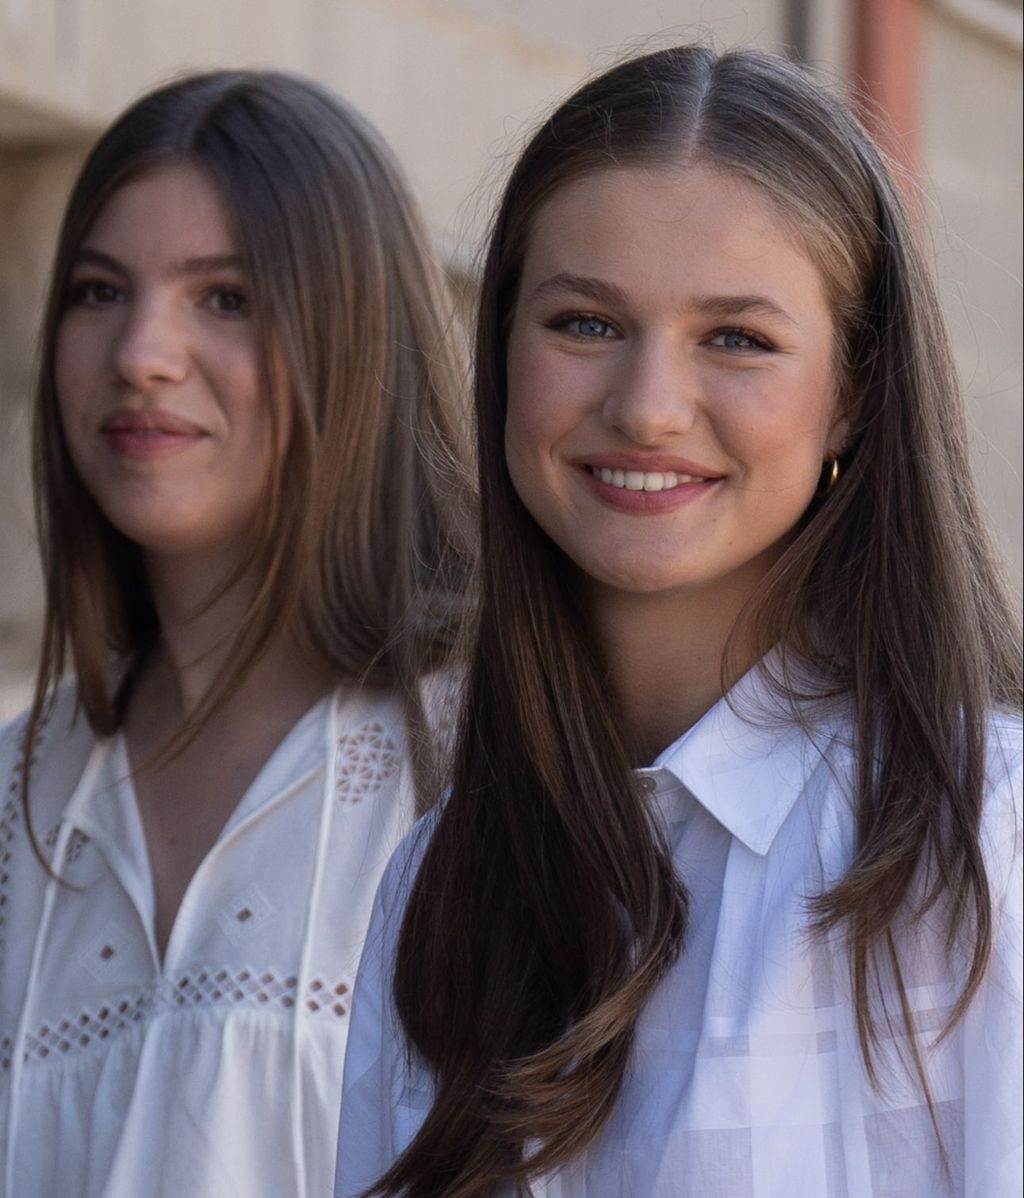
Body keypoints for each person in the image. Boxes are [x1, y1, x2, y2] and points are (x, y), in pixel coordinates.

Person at [334, 44, 1023, 1198]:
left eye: (737, 338)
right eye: (585, 323)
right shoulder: (440, 882)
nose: (648, 406)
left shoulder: (980, 834)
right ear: (502, 352)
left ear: (851, 392)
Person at [0, 70, 471, 1198]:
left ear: (357, 337)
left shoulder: (493, 756)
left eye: (227, 298)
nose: (142, 354)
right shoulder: (18, 791)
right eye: (99, 292)